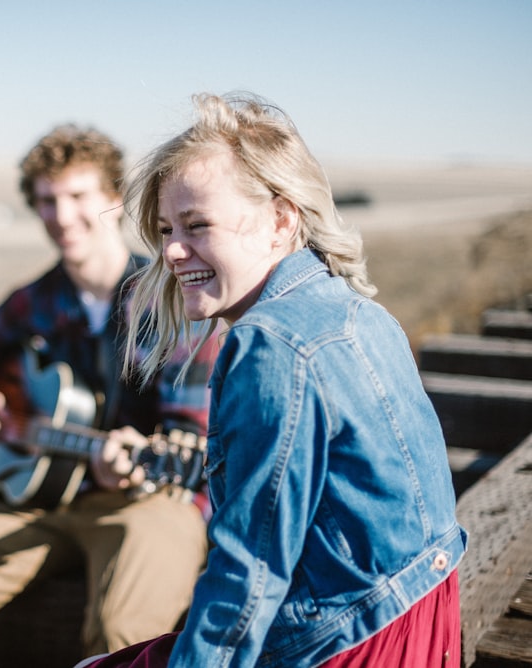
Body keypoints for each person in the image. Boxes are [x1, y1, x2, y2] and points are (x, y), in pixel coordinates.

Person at [76, 93, 467, 668]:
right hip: (421, 619)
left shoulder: (270, 344)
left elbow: (250, 572)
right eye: (164, 229)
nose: (174, 251)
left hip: (349, 641)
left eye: (197, 224)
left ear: (282, 221)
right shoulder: (359, 310)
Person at [0, 124, 223, 667]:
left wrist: (132, 461)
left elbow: (187, 437)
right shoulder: (37, 299)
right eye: (47, 201)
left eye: (77, 196)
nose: (61, 215)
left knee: (125, 635)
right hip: (42, 495)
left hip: (147, 497)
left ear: (115, 200)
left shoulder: (171, 301)